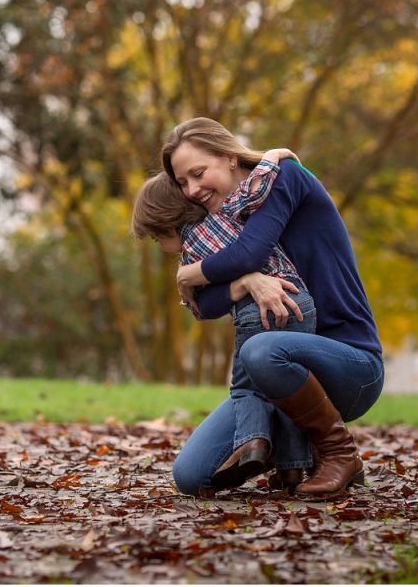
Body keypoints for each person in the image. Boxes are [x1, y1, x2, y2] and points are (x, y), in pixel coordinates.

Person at [163, 117, 384, 498]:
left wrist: (187, 274)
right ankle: (289, 446)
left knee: (260, 350)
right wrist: (245, 281)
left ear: (230, 157)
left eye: (198, 173)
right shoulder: (229, 219)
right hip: (276, 373)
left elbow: (251, 252)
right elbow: (210, 305)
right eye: (183, 182)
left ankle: (338, 453)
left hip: (350, 362)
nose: (192, 189)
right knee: (191, 476)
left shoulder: (285, 179)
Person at [130, 148, 317, 495]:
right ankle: (292, 470)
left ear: (168, 223)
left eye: (158, 239)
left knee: (246, 388)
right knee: (289, 392)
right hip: (299, 302)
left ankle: (252, 445)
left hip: (255, 314)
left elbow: (201, 307)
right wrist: (273, 156)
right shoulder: (233, 213)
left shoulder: (190, 257)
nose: (160, 246)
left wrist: (187, 283)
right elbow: (257, 187)